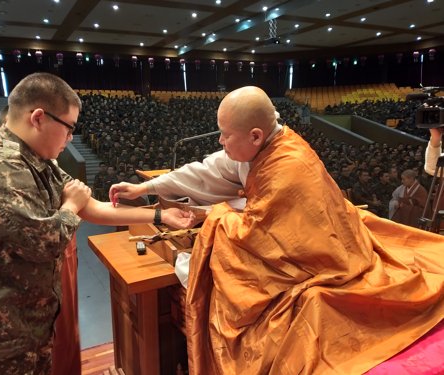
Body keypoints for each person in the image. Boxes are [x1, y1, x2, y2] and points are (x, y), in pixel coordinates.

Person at [111, 86, 444, 375]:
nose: (220, 141)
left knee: (300, 296)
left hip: (326, 256)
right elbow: (206, 172)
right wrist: (146, 188)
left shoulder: (289, 163)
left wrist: (212, 216)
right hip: (294, 239)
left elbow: (262, 233)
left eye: (225, 134)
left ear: (255, 135)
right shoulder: (258, 147)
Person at [0, 72, 194, 375]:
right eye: (69, 127)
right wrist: (71, 205)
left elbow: (95, 208)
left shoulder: (35, 159)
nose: (70, 138)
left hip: (21, 331)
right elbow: (46, 243)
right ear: (38, 118)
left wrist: (158, 215)